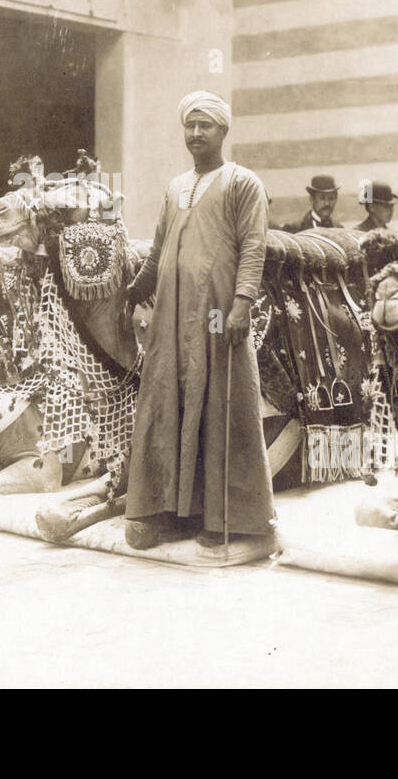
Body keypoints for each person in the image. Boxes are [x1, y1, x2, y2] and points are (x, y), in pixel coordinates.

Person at [123, 91, 274, 549]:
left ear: (223, 131)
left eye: (204, 125)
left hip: (215, 314)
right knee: (167, 403)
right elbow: (158, 248)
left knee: (219, 404)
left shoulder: (242, 183)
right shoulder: (174, 187)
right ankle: (169, 512)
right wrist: (134, 292)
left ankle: (227, 517)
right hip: (169, 317)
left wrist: (242, 302)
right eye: (189, 125)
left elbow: (254, 246)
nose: (194, 134)